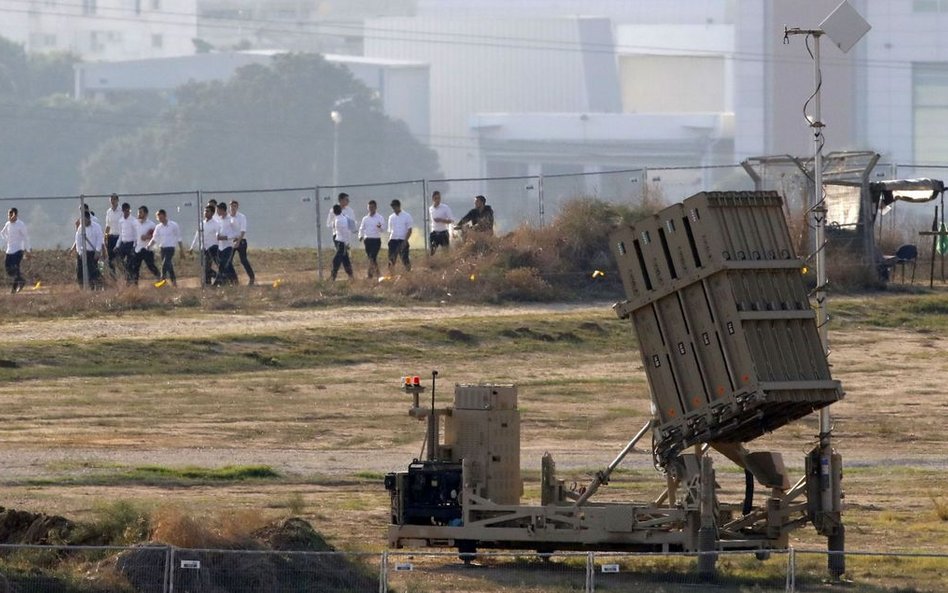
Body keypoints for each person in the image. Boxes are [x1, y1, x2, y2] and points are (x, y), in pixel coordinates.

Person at [149, 209, 184, 287]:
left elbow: (179, 237)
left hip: (170, 248)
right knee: (169, 266)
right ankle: (174, 282)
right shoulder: (158, 227)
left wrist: (181, 250)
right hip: (163, 248)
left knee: (165, 264)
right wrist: (149, 245)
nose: (160, 219)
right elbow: (154, 238)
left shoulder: (173, 225)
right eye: (158, 218)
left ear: (165, 216)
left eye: (161, 217)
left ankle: (162, 281)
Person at [70, 211, 104, 289]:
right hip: (83, 252)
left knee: (92, 270)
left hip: (93, 252)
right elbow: (78, 240)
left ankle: (97, 285)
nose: (83, 222)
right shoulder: (81, 228)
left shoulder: (96, 227)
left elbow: (99, 239)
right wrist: (80, 252)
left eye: (84, 219)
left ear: (88, 219)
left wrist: (98, 251)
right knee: (79, 270)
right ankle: (81, 287)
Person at [0, 207, 30, 293]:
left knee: (15, 268)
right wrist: (7, 240)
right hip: (9, 250)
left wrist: (27, 250)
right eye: (9, 215)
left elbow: (26, 237)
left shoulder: (20, 224)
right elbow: (2, 233)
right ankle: (21, 280)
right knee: (9, 269)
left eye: (11, 215)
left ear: (15, 215)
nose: (10, 217)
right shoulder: (7, 224)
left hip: (18, 250)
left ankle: (13, 290)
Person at [191, 204, 221, 285]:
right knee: (205, 267)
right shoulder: (202, 223)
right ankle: (209, 282)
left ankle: (218, 279)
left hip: (213, 248)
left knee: (213, 266)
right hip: (204, 248)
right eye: (204, 211)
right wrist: (192, 247)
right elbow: (197, 235)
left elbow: (218, 234)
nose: (205, 213)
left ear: (212, 213)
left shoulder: (216, 224)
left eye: (207, 211)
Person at [131, 205, 160, 285]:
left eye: (141, 212)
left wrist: (147, 237)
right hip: (138, 249)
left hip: (148, 249)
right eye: (138, 212)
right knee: (135, 268)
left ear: (146, 214)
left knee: (151, 267)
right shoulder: (135, 223)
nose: (139, 214)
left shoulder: (151, 224)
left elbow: (156, 237)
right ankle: (135, 286)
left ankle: (161, 280)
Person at [229, 200, 255, 285]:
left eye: (235, 206)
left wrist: (238, 241)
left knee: (243, 260)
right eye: (232, 206)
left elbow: (243, 230)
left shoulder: (241, 217)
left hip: (241, 241)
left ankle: (251, 277)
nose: (233, 208)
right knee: (228, 261)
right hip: (231, 241)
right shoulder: (228, 217)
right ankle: (233, 279)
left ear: (237, 207)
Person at [358, 199, 386, 279]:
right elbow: (361, 228)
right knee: (371, 258)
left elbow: (383, 229)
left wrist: (380, 227)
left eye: (372, 207)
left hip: (376, 240)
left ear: (375, 207)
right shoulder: (365, 218)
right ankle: (377, 274)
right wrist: (360, 236)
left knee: (372, 257)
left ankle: (371, 275)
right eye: (369, 207)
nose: (371, 209)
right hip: (368, 240)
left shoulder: (380, 217)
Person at [215, 202, 238, 285]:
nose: (217, 212)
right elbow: (217, 230)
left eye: (218, 210)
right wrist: (217, 235)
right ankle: (234, 280)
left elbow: (236, 233)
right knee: (228, 265)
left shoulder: (231, 219)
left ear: (222, 210)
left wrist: (225, 237)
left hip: (228, 245)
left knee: (223, 263)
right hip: (220, 246)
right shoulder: (219, 220)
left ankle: (218, 282)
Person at [387, 199, 413, 272]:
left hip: (402, 240)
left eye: (395, 207)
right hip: (393, 240)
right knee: (391, 260)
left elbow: (409, 230)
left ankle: (409, 273)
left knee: (405, 259)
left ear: (398, 206)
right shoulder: (391, 217)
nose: (394, 209)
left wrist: (405, 241)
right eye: (393, 208)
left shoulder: (407, 216)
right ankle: (391, 275)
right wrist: (389, 241)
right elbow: (390, 230)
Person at [115, 202, 138, 283]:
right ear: (123, 211)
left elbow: (136, 235)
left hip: (131, 244)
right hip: (123, 243)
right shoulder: (121, 221)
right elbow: (121, 234)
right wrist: (117, 245)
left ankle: (130, 280)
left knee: (130, 263)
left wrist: (134, 246)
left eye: (128, 211)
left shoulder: (133, 221)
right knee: (118, 261)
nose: (126, 212)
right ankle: (127, 274)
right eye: (125, 211)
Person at [330, 204, 354, 281]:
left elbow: (345, 231)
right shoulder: (337, 218)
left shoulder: (341, 219)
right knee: (345, 259)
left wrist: (346, 243)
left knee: (336, 260)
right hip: (339, 241)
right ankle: (351, 275)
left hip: (341, 242)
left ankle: (333, 276)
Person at [428, 190, 454, 255]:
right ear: (433, 198)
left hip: (443, 233)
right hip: (434, 233)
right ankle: (432, 264)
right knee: (432, 252)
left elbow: (451, 220)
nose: (437, 200)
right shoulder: (430, 209)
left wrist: (441, 220)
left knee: (446, 253)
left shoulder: (445, 208)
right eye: (436, 198)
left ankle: (446, 264)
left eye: (439, 198)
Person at [103, 193, 122, 279]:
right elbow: (108, 225)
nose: (112, 201)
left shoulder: (121, 211)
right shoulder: (109, 212)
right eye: (111, 200)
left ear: (117, 200)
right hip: (111, 237)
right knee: (110, 260)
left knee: (119, 259)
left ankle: (125, 276)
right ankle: (113, 278)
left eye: (114, 199)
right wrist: (105, 236)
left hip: (119, 237)